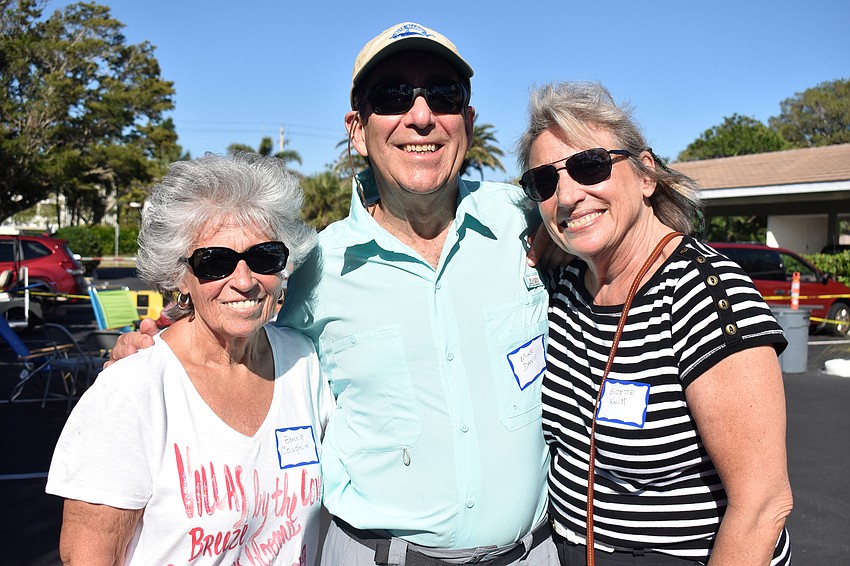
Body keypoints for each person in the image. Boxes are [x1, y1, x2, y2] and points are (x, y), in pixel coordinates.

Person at [110, 22, 559, 566]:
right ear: (357, 129)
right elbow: (233, 323)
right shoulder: (313, 267)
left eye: (443, 95)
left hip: (535, 553)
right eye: (392, 96)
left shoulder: (530, 221)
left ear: (466, 121)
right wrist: (158, 347)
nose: (421, 116)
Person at [516, 81, 793, 565]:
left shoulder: (705, 293)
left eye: (591, 166)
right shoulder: (565, 286)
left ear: (646, 174)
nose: (567, 195)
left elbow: (763, 504)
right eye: (544, 181)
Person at [46, 153, 333, 564]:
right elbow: (88, 556)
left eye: (264, 257)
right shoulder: (130, 392)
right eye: (215, 262)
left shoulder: (303, 362)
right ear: (180, 276)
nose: (245, 281)